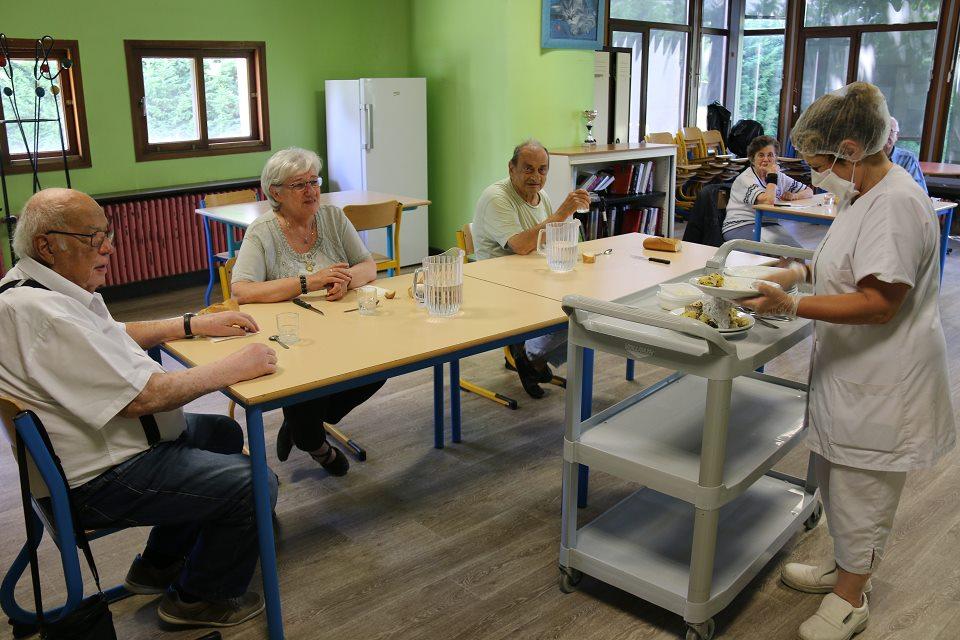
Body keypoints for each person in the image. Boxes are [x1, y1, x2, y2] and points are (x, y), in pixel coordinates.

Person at [0, 188, 280, 628]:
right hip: (96, 479)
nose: (109, 246)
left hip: (93, 455)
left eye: (106, 234)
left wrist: (193, 323)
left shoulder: (33, 288)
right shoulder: (46, 315)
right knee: (254, 483)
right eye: (94, 238)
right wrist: (233, 367)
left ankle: (159, 564)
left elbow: (113, 332)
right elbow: (143, 398)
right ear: (47, 245)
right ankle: (197, 599)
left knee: (223, 435)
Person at [743, 82, 956, 640]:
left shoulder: (895, 206)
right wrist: (797, 273)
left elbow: (880, 302)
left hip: (888, 378)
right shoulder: (864, 193)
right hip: (856, 371)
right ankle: (844, 567)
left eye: (818, 162)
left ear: (851, 151)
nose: (815, 173)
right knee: (839, 481)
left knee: (863, 489)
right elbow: (843, 263)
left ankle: (852, 597)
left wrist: (793, 304)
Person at [231, 147, 383, 474]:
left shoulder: (332, 217)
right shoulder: (262, 231)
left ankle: (302, 421)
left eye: (314, 181)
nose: (312, 191)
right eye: (300, 185)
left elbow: (368, 266)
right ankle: (314, 443)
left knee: (382, 364)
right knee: (310, 379)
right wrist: (307, 282)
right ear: (276, 193)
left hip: (339, 327)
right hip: (290, 337)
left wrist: (344, 281)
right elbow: (241, 291)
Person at [471, 139, 590, 398]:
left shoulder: (541, 196)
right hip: (496, 283)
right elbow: (521, 245)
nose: (536, 177)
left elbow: (550, 240)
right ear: (511, 168)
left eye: (542, 169)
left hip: (531, 276)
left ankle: (531, 354)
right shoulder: (496, 197)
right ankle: (530, 353)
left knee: (586, 301)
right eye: (528, 169)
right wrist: (562, 214)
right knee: (572, 308)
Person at [721, 135, 812, 247]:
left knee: (798, 253)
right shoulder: (746, 178)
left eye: (770, 155)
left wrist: (794, 196)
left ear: (776, 158)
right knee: (781, 254)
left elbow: (808, 191)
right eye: (761, 155)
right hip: (741, 226)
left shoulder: (780, 177)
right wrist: (772, 175)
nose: (766, 159)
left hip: (769, 225)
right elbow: (768, 201)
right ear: (752, 159)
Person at [883, 116, 928, 193]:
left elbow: (921, 193)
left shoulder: (908, 159)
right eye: (883, 130)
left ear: (896, 136)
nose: (886, 135)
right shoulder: (867, 158)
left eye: (890, 131)